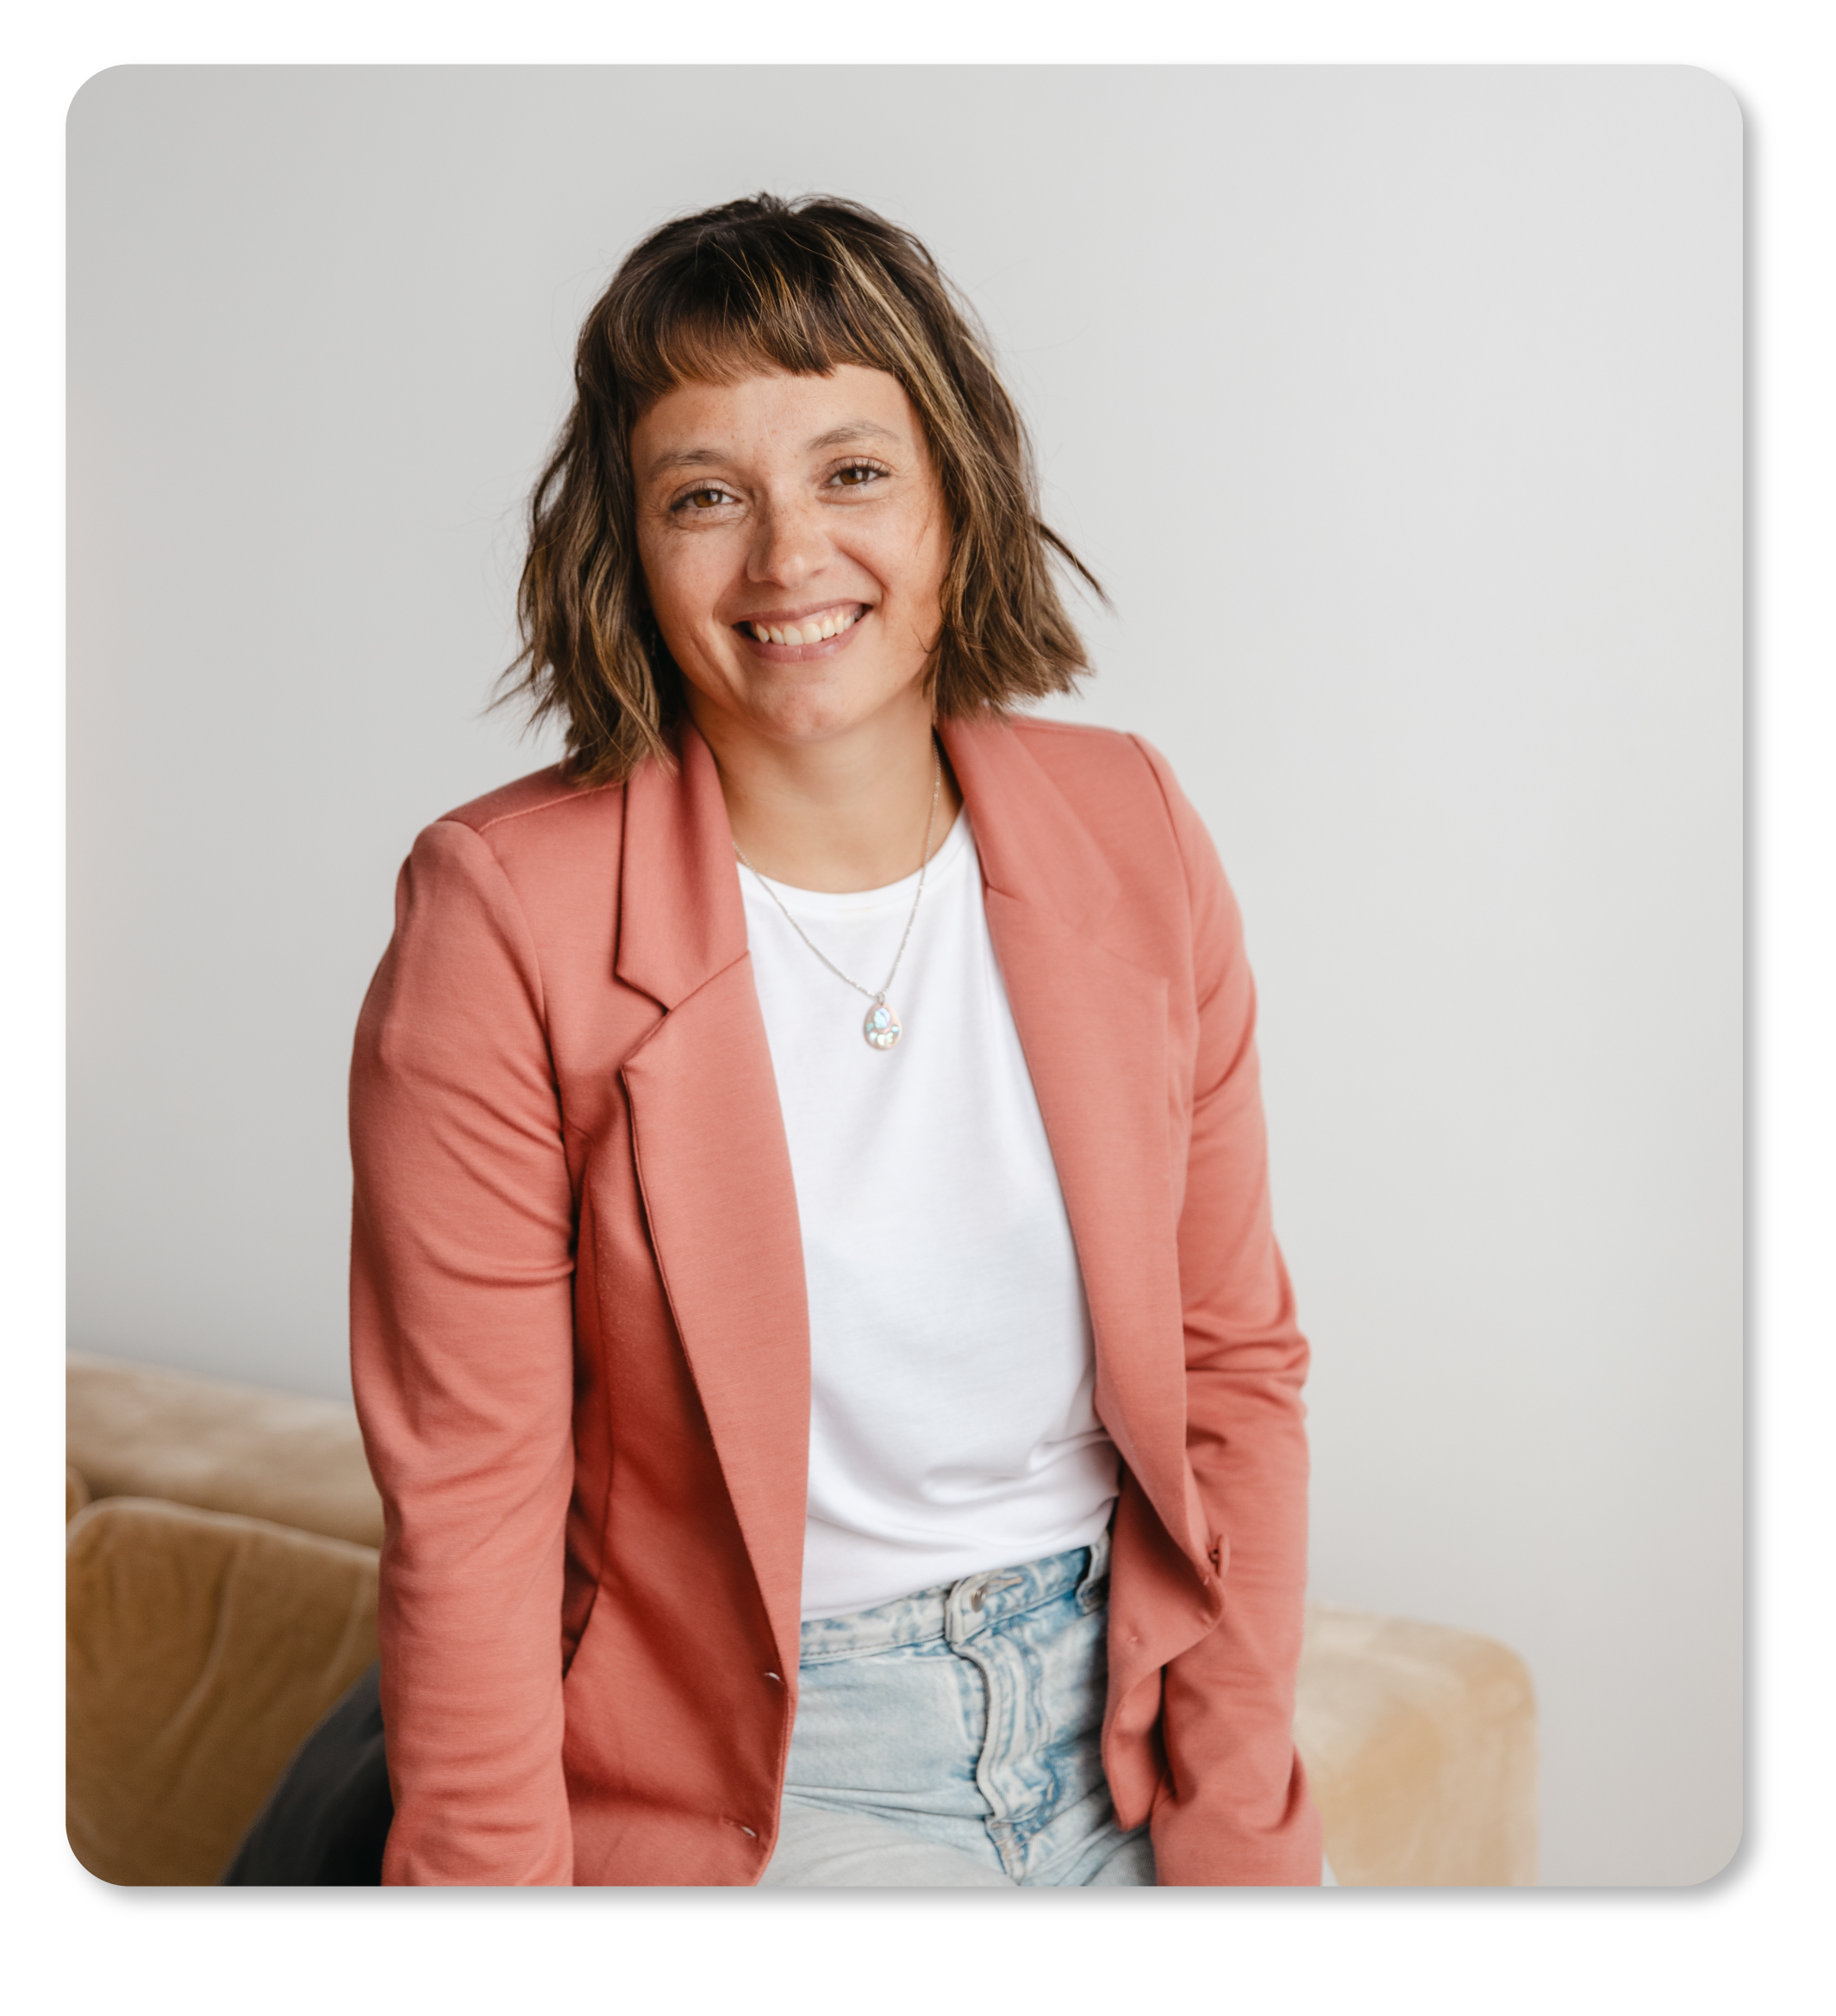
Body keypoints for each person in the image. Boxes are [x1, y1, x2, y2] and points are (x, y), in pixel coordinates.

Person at [348, 192, 1323, 1888]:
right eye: (706, 493)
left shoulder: (1134, 825)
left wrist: (1241, 1841)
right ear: (630, 550)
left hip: (1124, 1726)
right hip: (760, 1788)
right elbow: (475, 1502)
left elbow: (1232, 1369)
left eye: (853, 471)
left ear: (957, 494)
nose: (789, 558)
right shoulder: (504, 908)